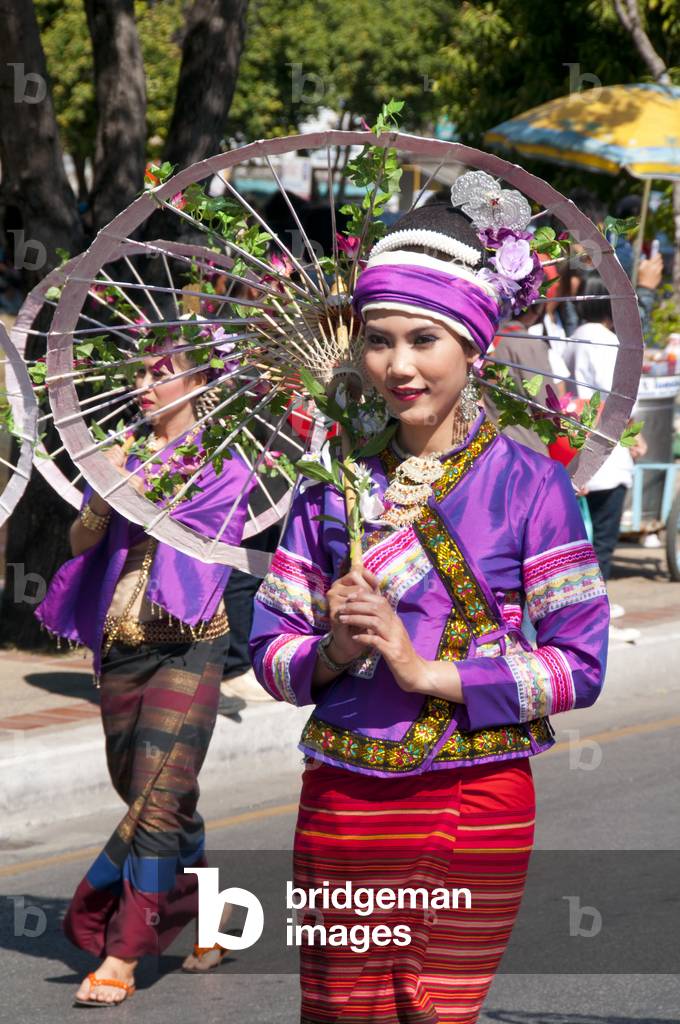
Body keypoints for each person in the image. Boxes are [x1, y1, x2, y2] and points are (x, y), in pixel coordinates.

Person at [249, 192, 610, 1023]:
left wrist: (422, 669)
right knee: (347, 1014)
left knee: (440, 1012)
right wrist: (334, 651)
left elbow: (578, 668)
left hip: (480, 790)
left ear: (474, 346)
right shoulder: (329, 488)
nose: (399, 366)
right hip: (344, 795)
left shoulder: (532, 486)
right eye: (379, 341)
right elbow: (270, 650)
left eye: (424, 340)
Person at [36, 334, 256, 1005]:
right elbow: (80, 541)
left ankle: (124, 951)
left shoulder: (227, 462)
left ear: (197, 387)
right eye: (142, 376)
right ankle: (213, 912)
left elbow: (196, 528)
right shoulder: (121, 455)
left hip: (191, 644)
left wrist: (139, 484)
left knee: (157, 797)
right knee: (154, 794)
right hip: (123, 645)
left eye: (161, 375)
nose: (145, 387)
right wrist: (105, 490)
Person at [572, 272, 647, 641]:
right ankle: (593, 618)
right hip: (607, 451)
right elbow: (621, 395)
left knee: (578, 541)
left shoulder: (568, 339)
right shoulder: (607, 341)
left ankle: (582, 613)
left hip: (572, 449)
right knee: (601, 539)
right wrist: (636, 434)